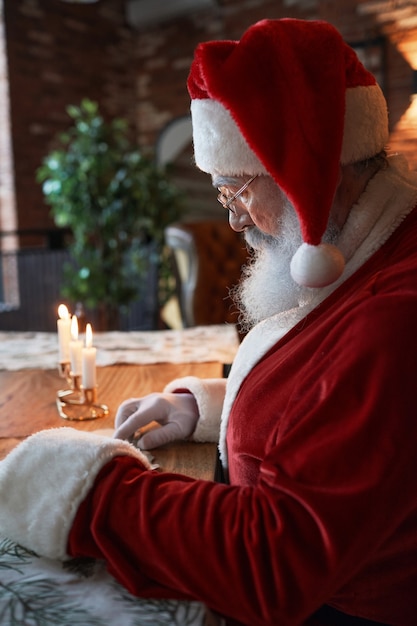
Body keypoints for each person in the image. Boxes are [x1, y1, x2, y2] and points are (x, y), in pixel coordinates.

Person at [1, 17, 417, 626]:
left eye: (234, 191)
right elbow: (350, 409)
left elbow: (273, 562)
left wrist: (82, 491)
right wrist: (214, 408)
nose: (235, 223)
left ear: (302, 169)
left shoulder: (394, 315)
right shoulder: (374, 250)